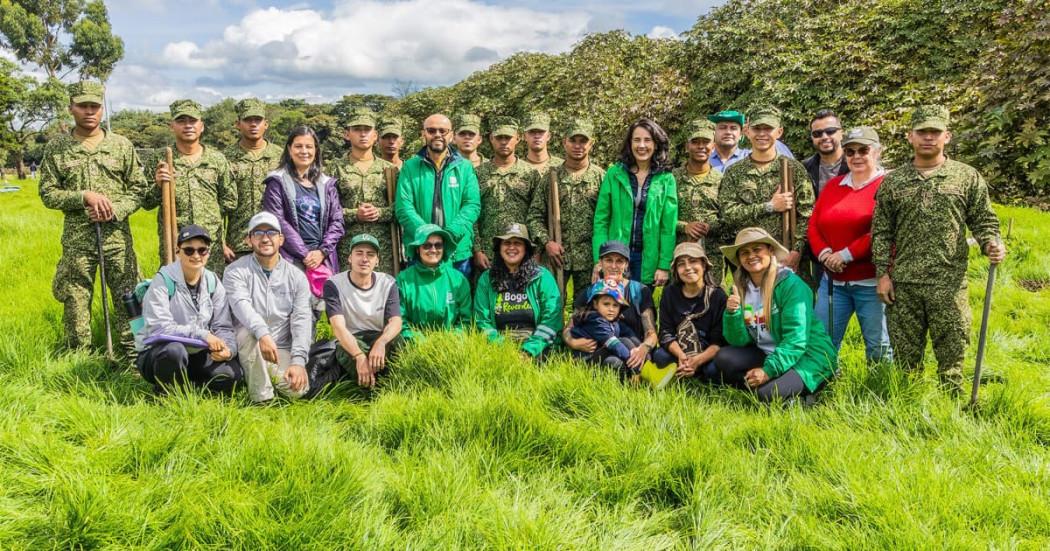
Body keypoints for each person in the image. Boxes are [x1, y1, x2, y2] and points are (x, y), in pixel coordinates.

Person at [872, 105, 1005, 392]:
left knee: (953, 353)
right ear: (910, 137)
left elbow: (983, 219)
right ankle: (907, 405)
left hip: (949, 283)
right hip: (904, 284)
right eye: (922, 132)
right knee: (906, 362)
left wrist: (991, 243)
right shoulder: (893, 182)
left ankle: (952, 407)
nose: (928, 138)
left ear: (947, 136)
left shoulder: (966, 177)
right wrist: (882, 274)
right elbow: (882, 232)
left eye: (935, 132)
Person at [38, 81, 149, 352]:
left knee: (129, 296)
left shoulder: (121, 146)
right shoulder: (57, 148)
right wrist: (82, 196)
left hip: (117, 238)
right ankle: (80, 357)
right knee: (75, 297)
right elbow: (47, 192)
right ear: (71, 108)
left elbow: (139, 189)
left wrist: (115, 209)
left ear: (102, 109)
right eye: (83, 106)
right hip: (78, 240)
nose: (89, 111)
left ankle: (135, 354)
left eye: (95, 106)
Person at [716, 227, 836, 402]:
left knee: (764, 395)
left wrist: (767, 371)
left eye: (757, 249)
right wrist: (732, 314)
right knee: (723, 358)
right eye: (745, 253)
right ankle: (782, 389)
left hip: (807, 356)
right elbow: (739, 341)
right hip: (769, 352)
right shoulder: (740, 287)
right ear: (740, 259)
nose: (751, 256)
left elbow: (796, 340)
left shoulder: (791, 285)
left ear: (770, 250)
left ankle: (812, 393)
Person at [808, 126, 891, 362]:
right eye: (850, 151)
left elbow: (883, 230)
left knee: (878, 345)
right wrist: (824, 254)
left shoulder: (887, 185)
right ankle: (823, 384)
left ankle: (881, 392)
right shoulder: (834, 186)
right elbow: (815, 223)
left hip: (871, 283)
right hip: (833, 282)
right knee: (822, 340)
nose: (856, 156)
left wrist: (846, 255)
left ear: (877, 152)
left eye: (863, 150)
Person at [137, 225, 242, 394]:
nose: (196, 255)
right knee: (174, 352)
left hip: (198, 352)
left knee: (232, 374)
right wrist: (203, 334)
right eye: (189, 250)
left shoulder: (213, 281)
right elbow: (160, 328)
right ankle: (166, 392)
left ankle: (191, 387)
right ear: (178, 251)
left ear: (208, 253)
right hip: (161, 352)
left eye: (202, 250)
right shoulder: (163, 280)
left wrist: (228, 351)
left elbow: (223, 326)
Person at [222, 212, 312, 402]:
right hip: (249, 342)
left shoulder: (297, 277)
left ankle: (260, 373)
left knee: (297, 390)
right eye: (258, 233)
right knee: (248, 333)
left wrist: (298, 361)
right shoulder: (234, 271)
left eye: (271, 232)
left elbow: (302, 320)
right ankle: (263, 399)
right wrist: (263, 333)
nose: (265, 238)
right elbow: (242, 306)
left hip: (281, 347)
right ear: (248, 240)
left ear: (281, 239)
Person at [718, 106, 814, 276]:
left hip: (787, 259)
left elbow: (807, 214)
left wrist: (796, 251)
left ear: (779, 132)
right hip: (750, 262)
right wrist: (769, 206)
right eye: (757, 128)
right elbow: (728, 214)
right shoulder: (734, 172)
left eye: (768, 128)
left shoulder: (794, 169)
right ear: (747, 131)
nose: (762, 134)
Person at [261, 125, 345, 312]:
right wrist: (305, 254)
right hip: (291, 257)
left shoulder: (326, 183)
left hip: (323, 258)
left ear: (316, 150)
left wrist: (322, 251)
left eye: (309, 146)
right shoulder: (277, 181)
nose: (304, 151)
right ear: (289, 149)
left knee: (324, 312)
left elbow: (337, 221)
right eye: (298, 146)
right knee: (295, 310)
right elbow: (276, 219)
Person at [147, 99, 235, 274]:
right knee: (177, 290)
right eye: (181, 121)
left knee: (211, 291)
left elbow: (229, 201)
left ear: (201, 126)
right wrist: (158, 186)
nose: (188, 126)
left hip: (210, 244)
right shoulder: (161, 159)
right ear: (172, 126)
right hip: (176, 243)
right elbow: (146, 202)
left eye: (192, 121)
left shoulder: (217, 160)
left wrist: (221, 238)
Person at [592, 118, 678, 286]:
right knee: (613, 307)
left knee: (641, 306)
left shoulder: (666, 179)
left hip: (647, 257)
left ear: (656, 144)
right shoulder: (614, 174)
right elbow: (601, 220)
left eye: (647, 140)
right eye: (636, 140)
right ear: (629, 143)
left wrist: (664, 265)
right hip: (615, 257)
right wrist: (600, 259)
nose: (642, 145)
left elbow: (668, 227)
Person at [394, 113, 481, 278]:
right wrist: (426, 234)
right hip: (421, 248)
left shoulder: (465, 167)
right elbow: (403, 206)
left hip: (457, 251)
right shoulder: (410, 167)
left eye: (443, 130)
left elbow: (472, 205)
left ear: (451, 135)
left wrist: (448, 235)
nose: (437, 135)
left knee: (457, 300)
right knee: (421, 301)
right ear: (423, 134)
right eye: (431, 130)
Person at [528, 118, 605, 297]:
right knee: (552, 305)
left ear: (591, 144)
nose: (578, 146)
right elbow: (534, 216)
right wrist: (547, 242)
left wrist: (601, 257)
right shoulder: (550, 177)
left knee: (588, 308)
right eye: (573, 140)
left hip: (588, 259)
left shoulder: (601, 178)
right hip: (556, 257)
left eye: (583, 141)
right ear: (564, 142)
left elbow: (607, 219)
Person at [324, 233, 404, 389]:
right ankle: (369, 388)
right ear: (349, 258)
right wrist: (359, 356)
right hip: (352, 339)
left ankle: (386, 386)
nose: (364, 259)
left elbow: (396, 321)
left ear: (377, 260)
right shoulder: (333, 284)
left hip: (377, 336)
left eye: (370, 254)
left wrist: (381, 342)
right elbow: (338, 327)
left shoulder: (388, 282)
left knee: (398, 342)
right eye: (359, 253)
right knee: (343, 349)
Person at [563, 241, 658, 372]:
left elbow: (651, 333)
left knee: (634, 347)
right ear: (600, 263)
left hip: (633, 348)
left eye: (619, 261)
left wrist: (643, 349)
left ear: (626, 265)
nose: (614, 266)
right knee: (613, 363)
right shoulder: (591, 293)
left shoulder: (639, 291)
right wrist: (573, 343)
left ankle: (644, 374)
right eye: (608, 260)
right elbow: (569, 328)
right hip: (599, 350)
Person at [474, 223, 562, 359]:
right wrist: (504, 349)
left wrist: (528, 351)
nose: (512, 247)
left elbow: (552, 318)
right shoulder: (487, 279)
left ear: (526, 248)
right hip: (499, 343)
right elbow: (481, 321)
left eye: (517, 243)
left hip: (535, 342)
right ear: (499, 248)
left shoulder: (542, 277)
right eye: (507, 243)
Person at [329, 107, 399, 272]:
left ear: (375, 136)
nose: (362, 134)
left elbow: (401, 208)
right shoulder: (335, 168)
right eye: (357, 129)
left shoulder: (390, 170)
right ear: (347, 134)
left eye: (367, 130)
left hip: (383, 247)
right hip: (348, 246)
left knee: (382, 291)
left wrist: (380, 213)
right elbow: (328, 210)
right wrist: (354, 214)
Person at [473, 117, 540, 273]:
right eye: (499, 138)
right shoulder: (477, 174)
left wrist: (536, 251)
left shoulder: (530, 173)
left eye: (508, 137)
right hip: (488, 254)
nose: (504, 142)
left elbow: (537, 214)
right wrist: (477, 250)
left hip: (521, 252)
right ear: (491, 139)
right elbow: (472, 215)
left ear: (517, 138)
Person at [653, 242, 727, 382]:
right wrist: (682, 356)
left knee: (714, 369)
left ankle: (695, 371)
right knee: (660, 357)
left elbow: (720, 340)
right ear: (676, 270)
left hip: (707, 352)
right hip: (680, 350)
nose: (687, 268)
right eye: (681, 264)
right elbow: (665, 332)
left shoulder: (718, 296)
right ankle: (687, 368)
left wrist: (697, 360)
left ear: (704, 265)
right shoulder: (669, 293)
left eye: (693, 261)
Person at [223, 98, 284, 263]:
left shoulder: (281, 157)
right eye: (248, 120)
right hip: (238, 244)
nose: (253, 124)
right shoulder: (224, 158)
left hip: (275, 241)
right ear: (238, 124)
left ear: (266, 124)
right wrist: (221, 243)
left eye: (258, 120)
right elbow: (218, 205)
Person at [396, 224, 472, 339]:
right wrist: (418, 341)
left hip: (452, 344)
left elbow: (466, 319)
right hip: (415, 346)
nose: (433, 250)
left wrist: (452, 339)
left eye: (438, 245)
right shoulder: (403, 279)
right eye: (426, 245)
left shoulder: (458, 279)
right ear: (417, 249)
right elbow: (399, 319)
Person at [672, 118, 725, 279]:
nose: (701, 146)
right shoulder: (671, 179)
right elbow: (661, 217)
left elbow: (728, 217)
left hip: (711, 256)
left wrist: (710, 226)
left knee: (713, 298)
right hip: (680, 255)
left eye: (706, 142)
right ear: (687, 146)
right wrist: (684, 226)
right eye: (695, 142)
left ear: (713, 146)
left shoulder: (722, 179)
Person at [570, 279, 640, 380]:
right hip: (587, 362)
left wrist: (638, 350)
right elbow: (614, 344)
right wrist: (635, 366)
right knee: (621, 343)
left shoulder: (613, 321)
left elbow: (629, 333)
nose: (611, 309)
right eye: (606, 304)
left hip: (600, 355)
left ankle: (645, 369)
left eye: (615, 305)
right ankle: (637, 372)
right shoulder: (595, 320)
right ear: (595, 304)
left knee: (630, 340)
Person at [708, 109, 795, 171]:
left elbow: (783, 159)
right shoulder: (703, 160)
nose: (728, 132)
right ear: (713, 132)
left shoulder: (750, 157)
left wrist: (757, 135)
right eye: (722, 128)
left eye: (733, 128)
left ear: (742, 132)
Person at [801, 109, 848, 197]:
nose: (824, 137)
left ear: (841, 133)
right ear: (812, 137)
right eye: (817, 133)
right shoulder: (805, 168)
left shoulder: (855, 164)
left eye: (830, 131)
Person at [522, 111, 563, 177]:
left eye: (541, 132)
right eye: (532, 132)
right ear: (524, 137)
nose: (537, 136)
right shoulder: (517, 169)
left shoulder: (562, 167)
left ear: (548, 136)